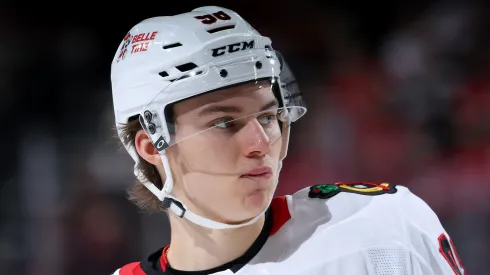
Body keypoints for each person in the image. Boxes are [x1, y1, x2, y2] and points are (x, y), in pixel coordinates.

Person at [109, 6, 466, 275]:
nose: (261, 142)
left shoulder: (380, 227)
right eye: (225, 123)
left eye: (267, 117)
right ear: (152, 146)